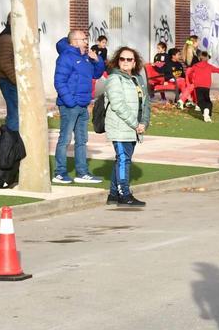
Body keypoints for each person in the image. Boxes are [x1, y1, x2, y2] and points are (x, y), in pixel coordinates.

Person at [52, 29, 103, 185]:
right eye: (83, 39)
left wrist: (98, 60)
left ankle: (82, 172)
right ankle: (60, 172)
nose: (86, 42)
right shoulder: (66, 57)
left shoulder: (86, 58)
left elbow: (97, 74)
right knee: (65, 139)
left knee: (82, 140)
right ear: (74, 41)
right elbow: (59, 82)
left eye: (86, 39)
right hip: (70, 106)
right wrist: (70, 101)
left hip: (83, 104)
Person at [102, 47, 148, 207]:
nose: (126, 62)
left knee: (122, 159)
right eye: (122, 59)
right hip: (120, 126)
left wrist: (144, 122)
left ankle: (114, 194)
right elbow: (118, 105)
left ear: (135, 62)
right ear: (117, 60)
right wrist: (135, 124)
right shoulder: (114, 79)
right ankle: (124, 194)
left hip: (134, 127)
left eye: (129, 59)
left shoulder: (137, 79)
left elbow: (145, 102)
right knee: (123, 159)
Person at [187, 50, 219, 122]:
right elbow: (218, 70)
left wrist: (192, 79)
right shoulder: (209, 66)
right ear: (207, 58)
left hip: (198, 85)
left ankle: (205, 110)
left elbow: (189, 73)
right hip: (206, 86)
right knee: (207, 100)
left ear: (200, 58)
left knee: (200, 101)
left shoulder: (195, 66)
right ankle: (207, 113)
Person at [0, 15, 18, 132]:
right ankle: (10, 145)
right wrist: (16, 81)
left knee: (16, 113)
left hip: (13, 81)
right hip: (9, 82)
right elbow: (5, 64)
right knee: (14, 114)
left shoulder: (14, 36)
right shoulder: (6, 38)